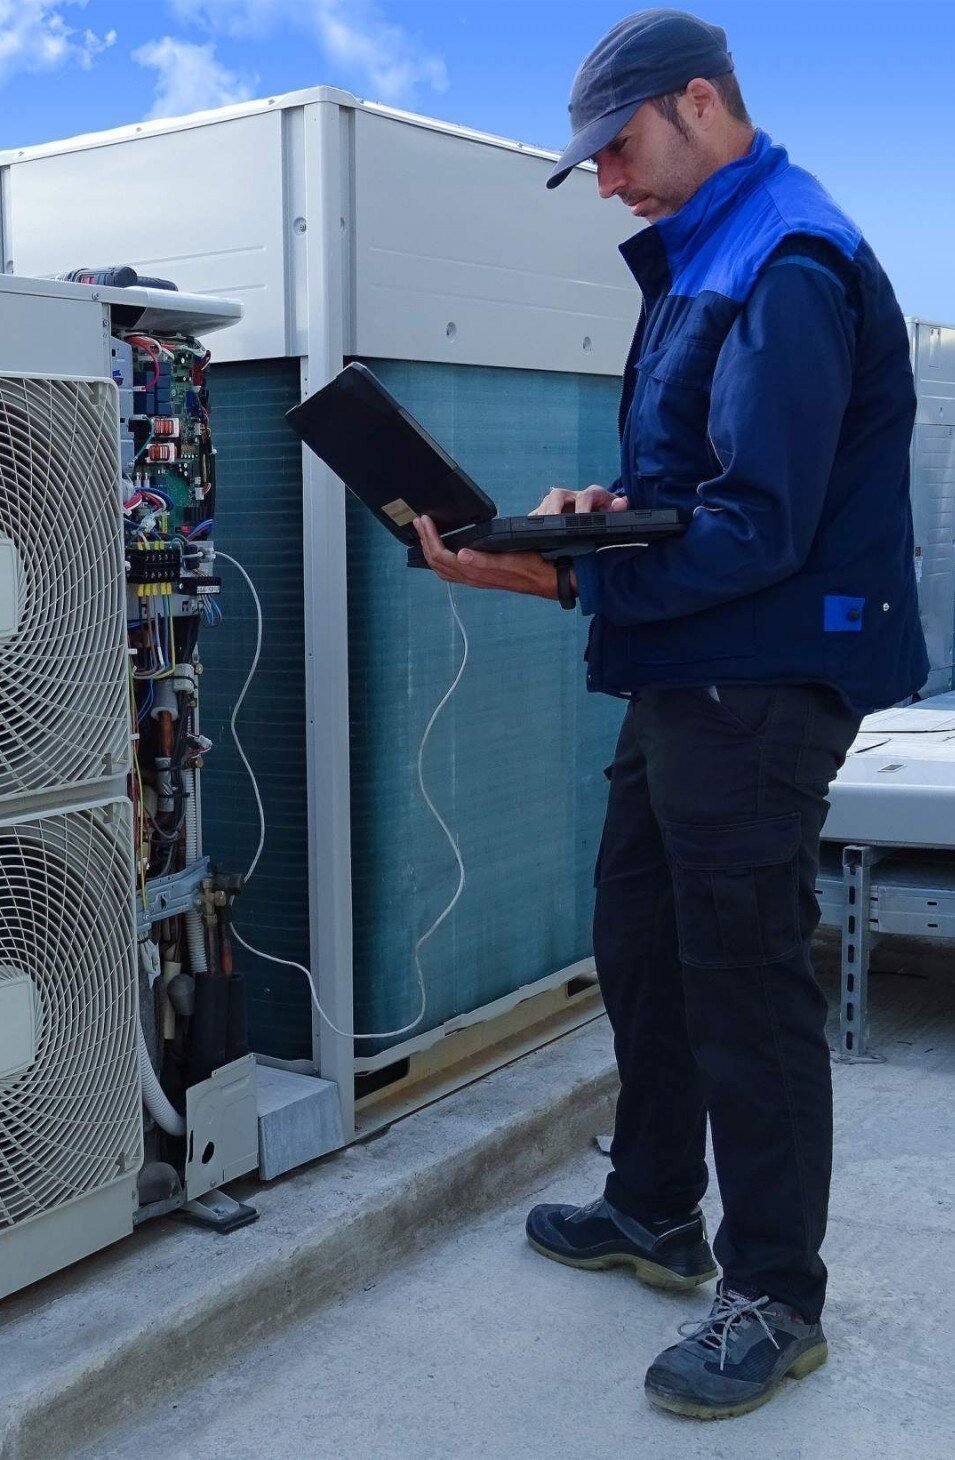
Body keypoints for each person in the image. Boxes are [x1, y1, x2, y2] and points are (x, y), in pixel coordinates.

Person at [413, 7, 928, 1422]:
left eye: (618, 145)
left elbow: (760, 527)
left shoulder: (788, 260)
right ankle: (653, 1206)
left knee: (743, 971)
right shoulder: (717, 247)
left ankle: (774, 1294)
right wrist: (603, 515)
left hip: (761, 679)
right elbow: (706, 486)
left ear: (701, 103)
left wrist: (559, 576)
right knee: (641, 938)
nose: (606, 179)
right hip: (692, 665)